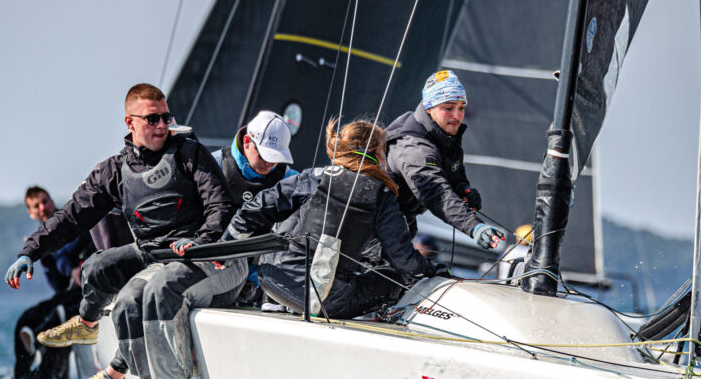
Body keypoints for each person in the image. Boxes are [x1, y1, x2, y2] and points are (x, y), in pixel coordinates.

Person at [4, 83, 239, 379]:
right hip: (160, 262)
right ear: (130, 122)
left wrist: (201, 241)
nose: (162, 125)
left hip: (214, 258)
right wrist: (30, 252)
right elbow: (71, 217)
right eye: (152, 119)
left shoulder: (190, 154)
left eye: (166, 117)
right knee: (127, 300)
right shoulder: (114, 171)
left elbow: (221, 206)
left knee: (159, 289)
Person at [221, 118, 438, 319]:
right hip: (327, 302)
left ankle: (273, 302)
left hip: (273, 282)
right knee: (394, 278)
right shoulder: (382, 195)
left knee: (289, 211)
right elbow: (403, 258)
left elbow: (258, 207)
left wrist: (224, 246)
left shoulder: (315, 176)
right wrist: (433, 271)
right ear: (377, 154)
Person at [0, 186, 95, 379]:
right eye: (37, 205)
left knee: (55, 319)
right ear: (31, 213)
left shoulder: (68, 223)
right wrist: (45, 259)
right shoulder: (44, 239)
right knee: (26, 320)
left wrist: (67, 263)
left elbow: (71, 254)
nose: (43, 207)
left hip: (89, 288)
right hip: (70, 291)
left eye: (45, 201)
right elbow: (59, 284)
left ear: (52, 201)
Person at [386, 70, 507, 251]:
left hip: (399, 224)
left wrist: (462, 190)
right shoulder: (414, 147)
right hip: (374, 228)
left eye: (461, 108)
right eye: (448, 108)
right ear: (429, 107)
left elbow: (452, 175)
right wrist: (473, 226)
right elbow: (435, 193)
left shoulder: (443, 134)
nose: (456, 115)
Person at [213, 110, 299, 305]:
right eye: (264, 156)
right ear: (247, 142)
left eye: (275, 158)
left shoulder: (290, 179)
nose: (269, 164)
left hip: (259, 278)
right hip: (216, 266)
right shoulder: (214, 166)